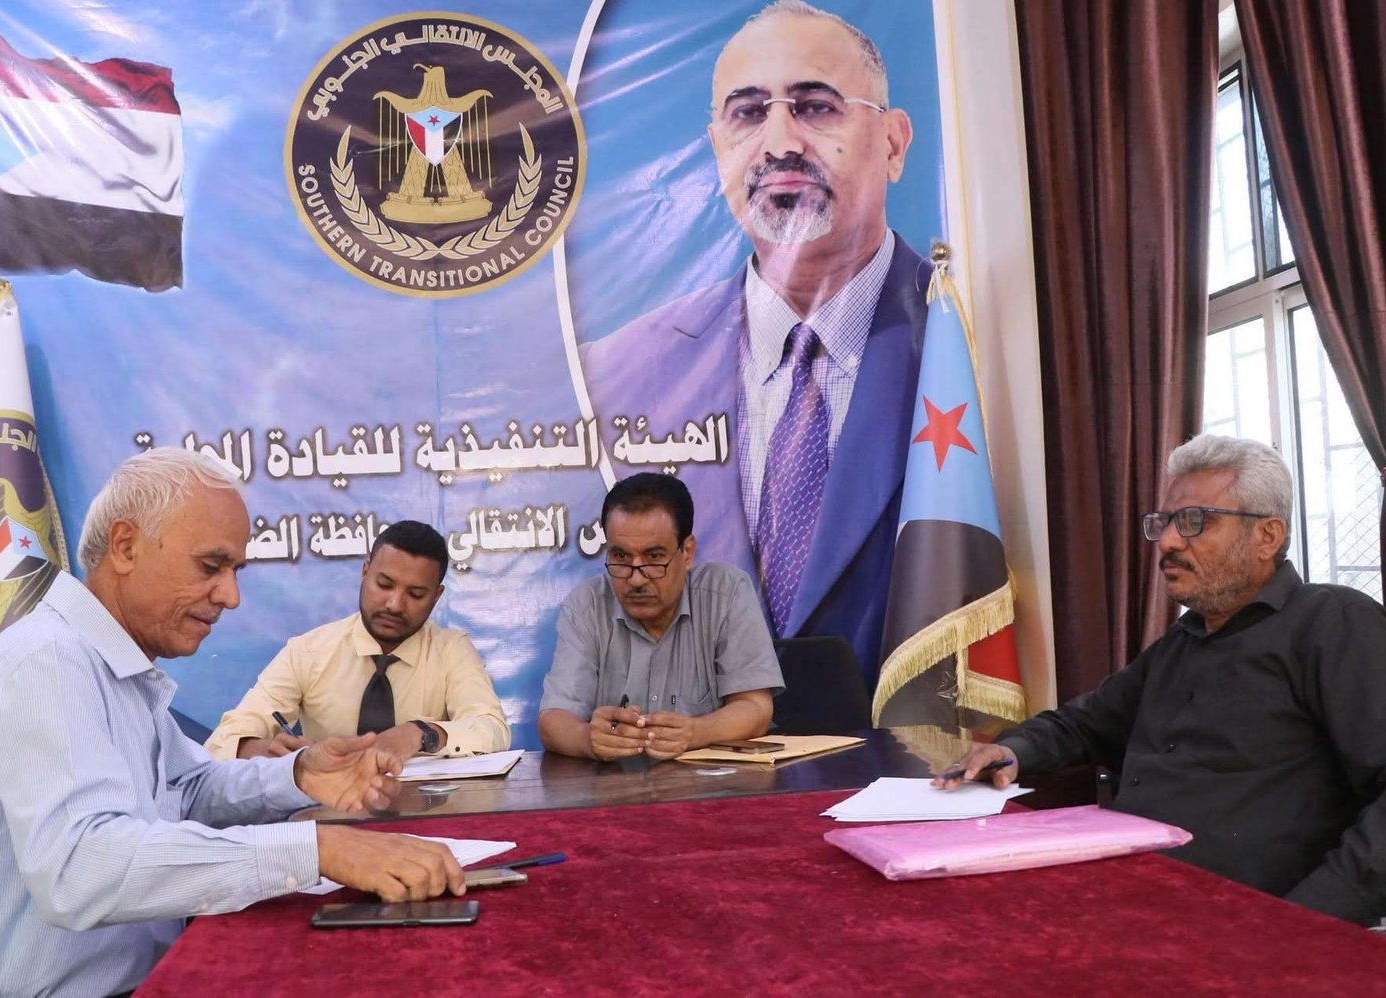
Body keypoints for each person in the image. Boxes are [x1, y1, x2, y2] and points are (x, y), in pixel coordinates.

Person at [0, 448, 466, 996]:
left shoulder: (113, 664)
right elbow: (79, 867)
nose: (230, 597)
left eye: (234, 571)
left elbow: (185, 793)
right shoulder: (46, 661)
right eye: (211, 567)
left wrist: (299, 776)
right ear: (126, 546)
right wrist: (317, 850)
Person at [936, 435, 1386, 924]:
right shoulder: (1186, 638)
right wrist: (1013, 751)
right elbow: (1087, 723)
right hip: (1130, 901)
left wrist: (1310, 919)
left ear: (1266, 536)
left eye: (1195, 521)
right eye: (1165, 522)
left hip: (1251, 927)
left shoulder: (1333, 623)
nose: (1168, 541)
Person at [580, 0, 926, 682]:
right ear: (718, 150)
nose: (779, 144)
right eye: (748, 113)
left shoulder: (967, 346)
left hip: (907, 741)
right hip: (698, 743)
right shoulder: (619, 371)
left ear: (892, 143)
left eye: (816, 106)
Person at [205, 520, 509, 763]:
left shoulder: (451, 650)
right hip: (326, 811)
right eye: (384, 584)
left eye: (416, 594)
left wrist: (421, 733)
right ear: (365, 573)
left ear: (437, 596)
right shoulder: (308, 652)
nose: (395, 605)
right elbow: (224, 740)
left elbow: (492, 729)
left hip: (427, 811)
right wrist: (274, 756)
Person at [539, 472, 784, 760]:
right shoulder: (587, 606)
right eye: (621, 557)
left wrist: (696, 732)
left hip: (713, 783)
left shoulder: (726, 593)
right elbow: (553, 720)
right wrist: (588, 739)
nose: (636, 579)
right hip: (615, 785)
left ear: (687, 552)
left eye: (654, 557)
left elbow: (755, 707)